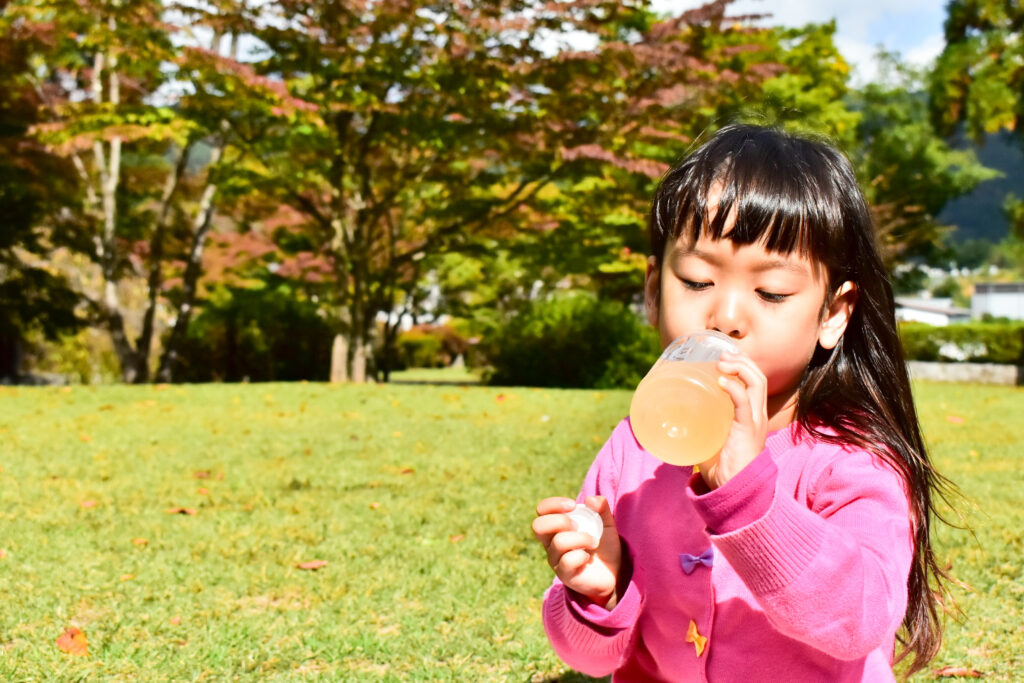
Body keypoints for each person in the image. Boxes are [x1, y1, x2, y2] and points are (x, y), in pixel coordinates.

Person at [532, 124, 953, 681]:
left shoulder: (849, 460)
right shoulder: (632, 452)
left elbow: (861, 621)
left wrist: (752, 503)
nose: (726, 317)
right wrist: (598, 592)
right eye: (697, 281)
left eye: (771, 292)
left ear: (833, 314)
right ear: (654, 289)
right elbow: (586, 658)